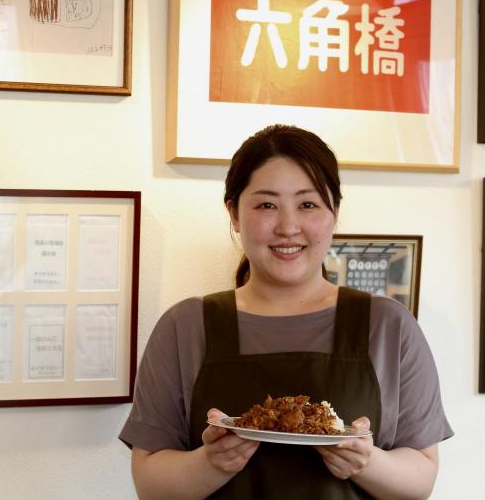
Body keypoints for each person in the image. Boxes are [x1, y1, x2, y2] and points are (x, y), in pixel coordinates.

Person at [119, 124, 453, 499]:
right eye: (266, 205)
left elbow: (421, 478)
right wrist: (212, 463)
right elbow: (150, 484)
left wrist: (365, 462)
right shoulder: (185, 326)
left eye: (307, 204)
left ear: (334, 212)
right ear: (234, 213)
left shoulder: (389, 325)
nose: (288, 227)